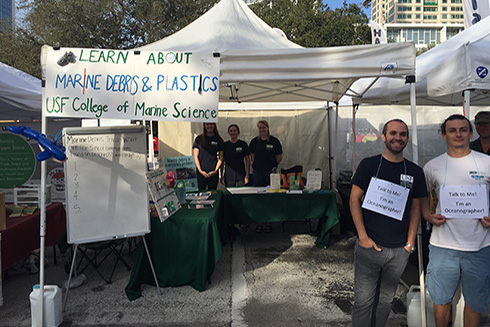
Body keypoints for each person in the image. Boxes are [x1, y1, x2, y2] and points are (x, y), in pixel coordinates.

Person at [349, 119, 428, 327]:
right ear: (383, 136)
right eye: (393, 133)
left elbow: (415, 208)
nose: (398, 138)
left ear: (407, 139)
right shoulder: (369, 165)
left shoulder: (415, 171)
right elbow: (353, 199)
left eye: (402, 134)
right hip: (369, 248)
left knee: (384, 303)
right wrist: (363, 237)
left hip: (399, 250)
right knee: (363, 303)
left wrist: (410, 243)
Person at [422, 114, 490, 327]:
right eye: (452, 130)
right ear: (444, 135)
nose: (458, 134)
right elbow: (422, 196)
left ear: (471, 133)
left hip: (480, 246)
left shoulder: (487, 162)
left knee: (476, 302)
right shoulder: (432, 166)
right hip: (443, 246)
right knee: (441, 300)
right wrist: (427, 214)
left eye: (463, 129)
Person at [249, 120, 283, 186]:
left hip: (270, 172)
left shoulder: (274, 141)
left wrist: (273, 164)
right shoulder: (254, 141)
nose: (262, 130)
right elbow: (252, 155)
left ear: (267, 128)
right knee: (258, 191)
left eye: (264, 127)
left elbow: (279, 156)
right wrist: (257, 163)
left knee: (271, 191)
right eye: (260, 128)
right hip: (257, 172)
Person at [192, 122, 224, 190]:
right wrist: (200, 171)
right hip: (201, 173)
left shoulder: (219, 139)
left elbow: (221, 158)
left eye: (211, 124)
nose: (209, 126)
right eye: (207, 124)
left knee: (212, 195)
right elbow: (195, 156)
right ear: (204, 125)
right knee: (201, 195)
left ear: (214, 125)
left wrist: (215, 171)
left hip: (213, 174)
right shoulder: (199, 139)